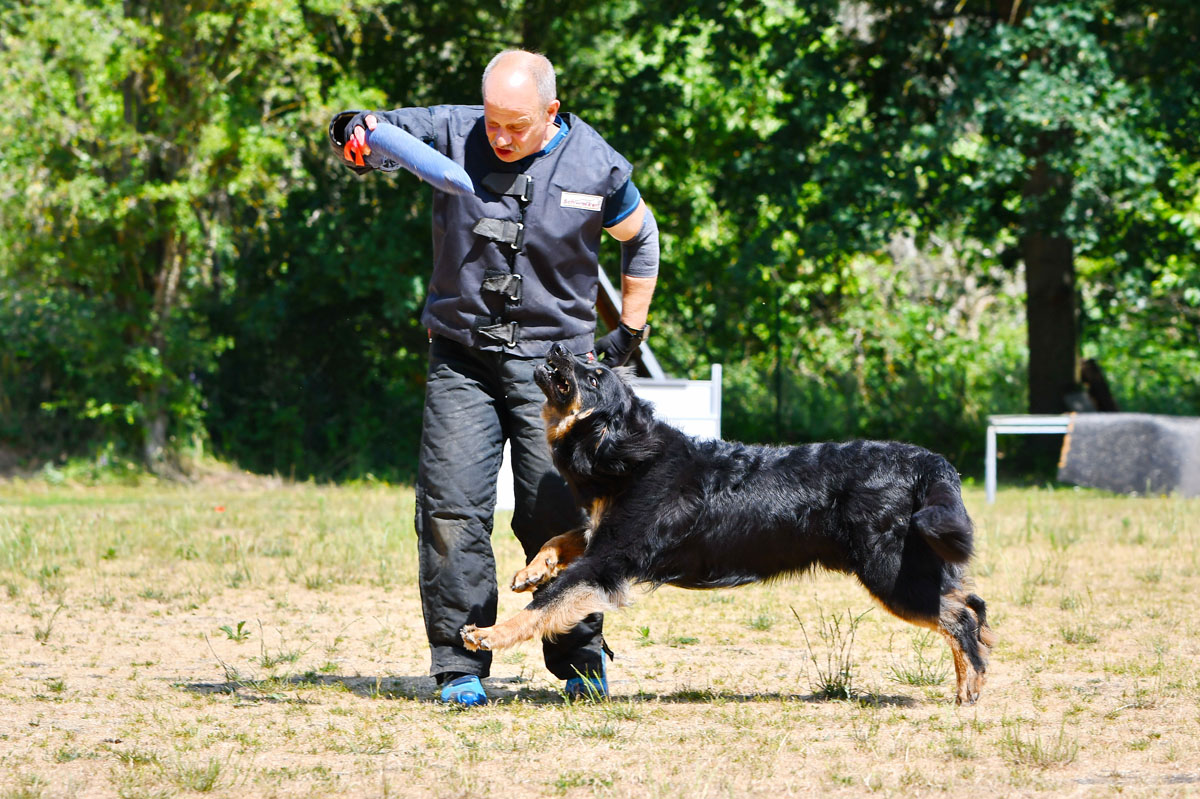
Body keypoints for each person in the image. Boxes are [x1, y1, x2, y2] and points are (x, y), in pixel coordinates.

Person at [330, 50, 659, 705]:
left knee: (554, 514)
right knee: (450, 509)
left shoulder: (596, 163)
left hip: (556, 373)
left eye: (517, 125)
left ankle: (580, 656)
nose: (500, 136)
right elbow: (365, 124)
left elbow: (640, 238)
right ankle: (459, 663)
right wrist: (352, 133)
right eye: (493, 122)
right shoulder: (454, 129)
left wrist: (629, 330)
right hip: (462, 356)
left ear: (552, 112)